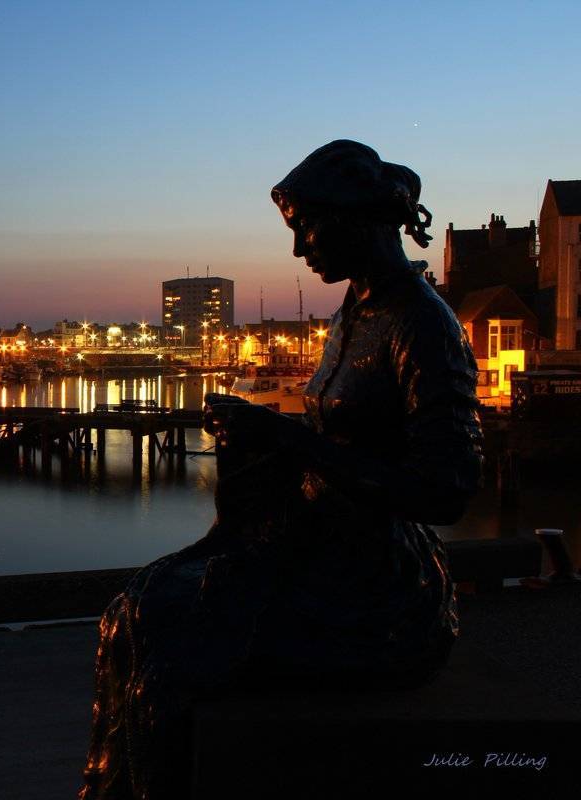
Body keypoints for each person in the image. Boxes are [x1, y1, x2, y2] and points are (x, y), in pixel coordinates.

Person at [78, 140, 484, 799]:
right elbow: (338, 435)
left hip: (383, 592)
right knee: (133, 606)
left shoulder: (422, 326)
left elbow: (445, 489)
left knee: (171, 651)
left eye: (309, 229)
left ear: (359, 219)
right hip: (321, 548)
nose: (300, 251)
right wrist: (261, 427)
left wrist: (288, 441)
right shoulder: (355, 312)